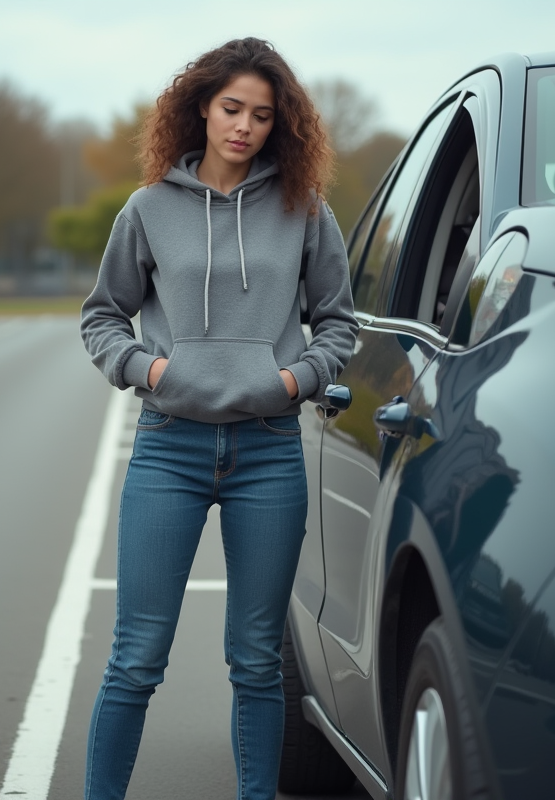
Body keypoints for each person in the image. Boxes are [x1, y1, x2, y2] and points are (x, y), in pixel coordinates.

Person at [79, 36, 358, 800]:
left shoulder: (305, 210)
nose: (244, 126)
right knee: (137, 656)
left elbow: (338, 322)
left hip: (268, 452)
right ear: (200, 107)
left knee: (257, 659)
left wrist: (295, 379)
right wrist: (152, 370)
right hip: (169, 448)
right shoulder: (147, 209)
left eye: (262, 115)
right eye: (231, 108)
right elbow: (103, 317)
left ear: (280, 125)